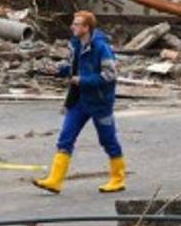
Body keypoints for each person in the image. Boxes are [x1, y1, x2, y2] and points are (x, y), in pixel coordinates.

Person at [33, 10, 127, 194]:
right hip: (79, 100)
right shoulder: (75, 45)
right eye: (73, 24)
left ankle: (118, 179)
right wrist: (59, 70)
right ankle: (55, 181)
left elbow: (110, 75)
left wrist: (83, 80)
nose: (72, 27)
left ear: (86, 28)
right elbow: (73, 67)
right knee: (65, 137)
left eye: (76, 24)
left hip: (100, 102)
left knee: (108, 140)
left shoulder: (101, 48)